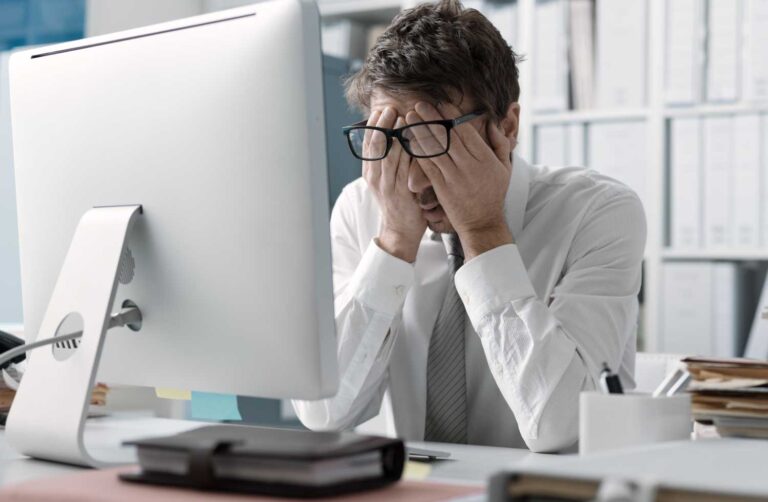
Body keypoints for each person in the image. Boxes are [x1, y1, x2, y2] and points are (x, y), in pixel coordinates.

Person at [293, 0, 646, 453]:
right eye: (395, 140)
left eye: (434, 138)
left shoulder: (597, 212)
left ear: (507, 126)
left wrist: (482, 231)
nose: (416, 180)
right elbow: (326, 413)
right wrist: (395, 242)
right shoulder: (362, 208)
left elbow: (561, 426)